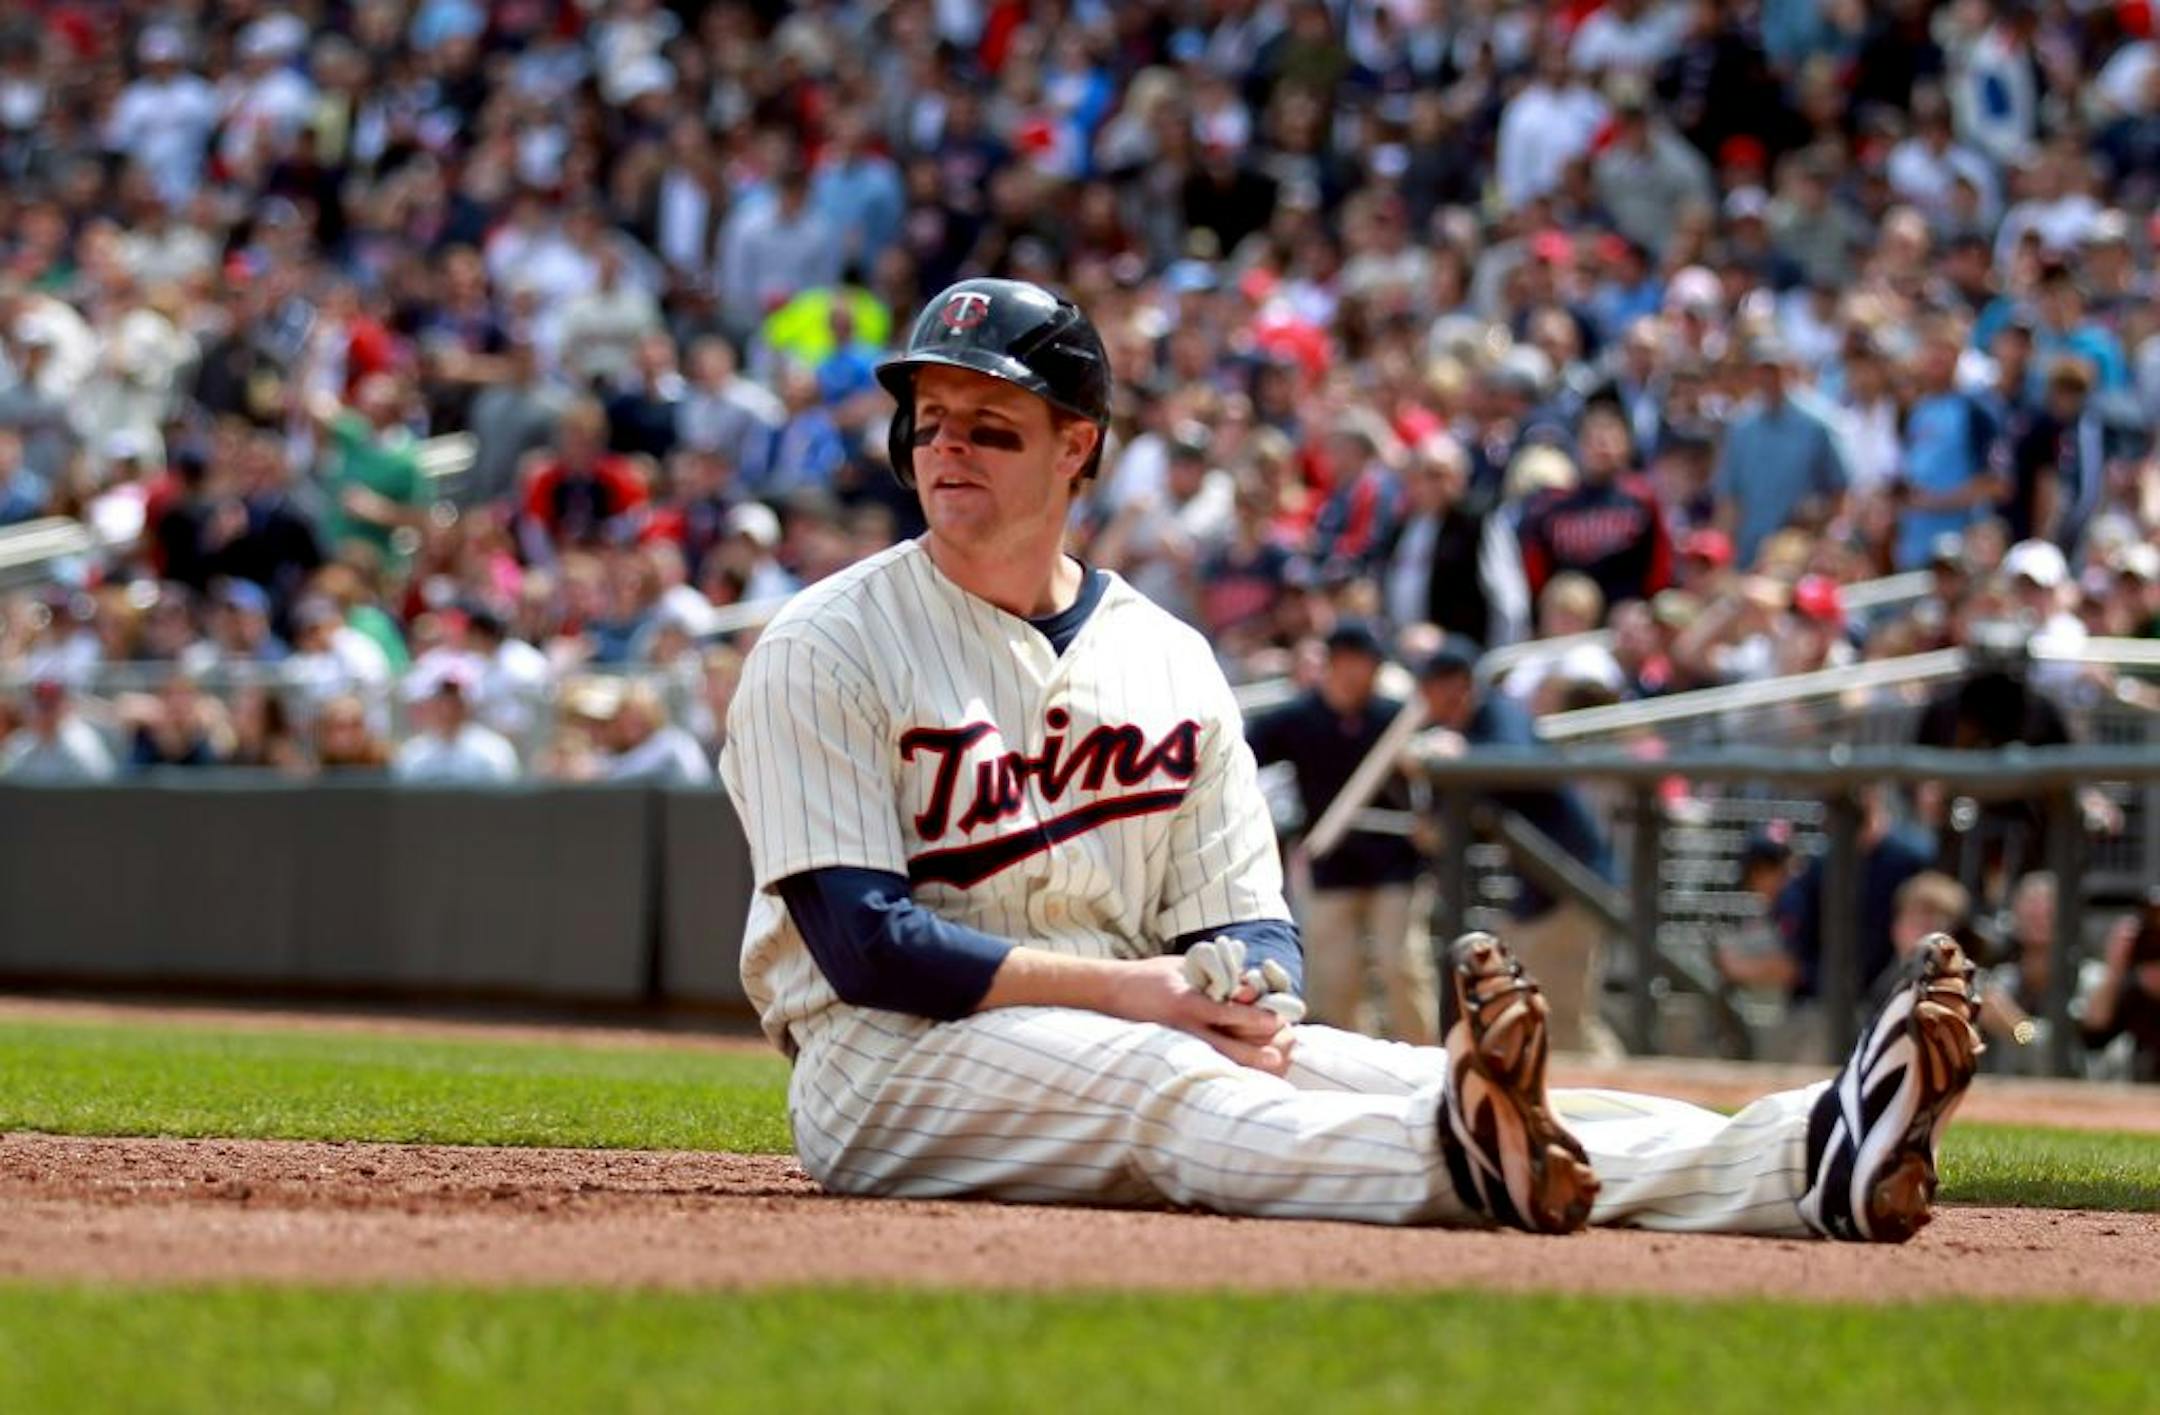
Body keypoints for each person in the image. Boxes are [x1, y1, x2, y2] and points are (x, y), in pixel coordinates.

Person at [718, 276, 1984, 1243]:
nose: (945, 450)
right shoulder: (827, 642)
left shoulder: (1168, 658)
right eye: (930, 423)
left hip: (1119, 1021)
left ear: (1078, 445)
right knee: (1167, 1072)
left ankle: (1806, 1151)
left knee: (1378, 1063)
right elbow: (867, 945)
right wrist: (1159, 999)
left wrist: (1241, 992)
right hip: (891, 1062)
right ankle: (1454, 1165)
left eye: (990, 426)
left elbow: (1250, 924)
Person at [1406, 635, 1621, 1057]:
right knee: (1532, 1007)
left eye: (1437, 683)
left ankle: (1627, 1093)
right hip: (1540, 886)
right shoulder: (1463, 729)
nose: (1428, 696)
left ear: (1460, 684)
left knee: (1561, 1015)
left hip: (1572, 880)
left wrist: (1461, 753)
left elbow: (1517, 765)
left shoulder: (1498, 714)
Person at [1246, 620, 1437, 1043]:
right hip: (1331, 862)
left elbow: (1433, 776)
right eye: (1347, 662)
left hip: (1394, 862)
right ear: (1330, 665)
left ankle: (1429, 1061)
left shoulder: (1395, 717)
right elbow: (1241, 756)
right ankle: (1349, 1067)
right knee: (1333, 977)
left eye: (1363, 663)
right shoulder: (1297, 718)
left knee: (1401, 964)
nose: (1354, 673)